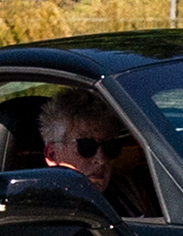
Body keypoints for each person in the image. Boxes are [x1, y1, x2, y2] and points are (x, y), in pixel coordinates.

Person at [40, 87, 161, 218]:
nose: (101, 159)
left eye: (110, 146)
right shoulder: (41, 210)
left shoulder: (129, 191)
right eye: (86, 146)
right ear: (53, 154)